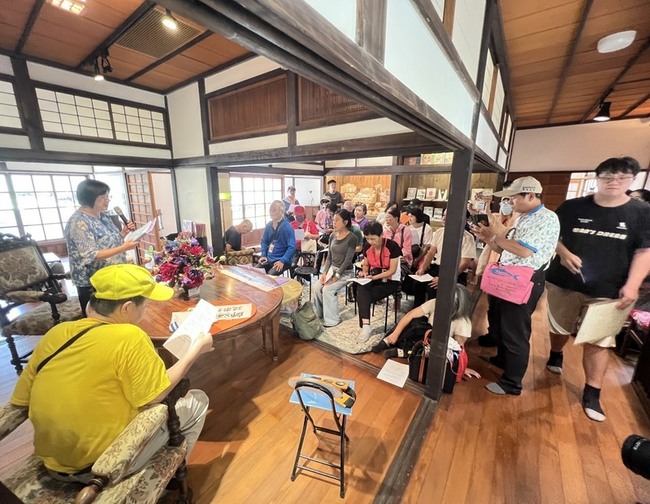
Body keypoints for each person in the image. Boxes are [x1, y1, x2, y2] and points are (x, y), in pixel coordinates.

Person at [10, 264, 212, 482]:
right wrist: (195, 351)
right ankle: (167, 479)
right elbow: (155, 395)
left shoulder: (57, 332)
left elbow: (21, 399)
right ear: (126, 308)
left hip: (51, 462)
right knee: (197, 401)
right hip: (100, 468)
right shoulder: (129, 336)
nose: (146, 310)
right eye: (145, 304)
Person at [544, 157, 650, 421]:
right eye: (607, 176)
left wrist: (632, 285)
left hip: (610, 289)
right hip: (565, 281)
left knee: (599, 340)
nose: (614, 181)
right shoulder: (572, 206)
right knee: (560, 326)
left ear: (631, 180)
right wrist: (563, 253)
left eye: (622, 177)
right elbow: (552, 235)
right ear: (597, 178)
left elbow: (645, 251)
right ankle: (556, 354)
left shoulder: (642, 212)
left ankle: (592, 392)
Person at [472, 176, 560, 396]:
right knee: (500, 323)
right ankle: (502, 360)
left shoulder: (547, 218)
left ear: (529, 195)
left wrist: (494, 237)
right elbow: (505, 249)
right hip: (508, 276)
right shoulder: (522, 217)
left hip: (524, 280)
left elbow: (524, 251)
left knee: (515, 331)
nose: (510, 202)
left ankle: (512, 383)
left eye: (513, 198)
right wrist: (488, 238)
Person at [65, 179, 138, 316]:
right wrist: (123, 248)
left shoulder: (103, 216)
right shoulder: (78, 222)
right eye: (103, 197)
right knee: (99, 318)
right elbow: (92, 255)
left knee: (115, 315)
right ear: (90, 198)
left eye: (108, 196)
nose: (107, 200)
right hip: (92, 281)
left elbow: (110, 241)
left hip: (111, 275)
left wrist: (123, 233)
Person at [372, 284, 474, 368]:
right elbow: (410, 315)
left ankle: (404, 351)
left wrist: (461, 368)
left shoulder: (464, 323)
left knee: (429, 336)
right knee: (415, 321)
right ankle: (390, 340)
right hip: (424, 334)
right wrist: (395, 333)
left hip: (437, 346)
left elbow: (458, 349)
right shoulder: (435, 302)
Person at [355, 222, 402, 342]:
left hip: (390, 280)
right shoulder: (367, 246)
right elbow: (366, 264)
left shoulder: (392, 246)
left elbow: (392, 270)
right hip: (374, 276)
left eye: (373, 238)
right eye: (367, 238)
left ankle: (365, 326)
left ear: (381, 235)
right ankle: (366, 326)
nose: (370, 242)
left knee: (363, 296)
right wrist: (364, 272)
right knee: (361, 288)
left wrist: (373, 278)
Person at [313, 209, 358, 327]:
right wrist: (324, 272)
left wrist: (336, 277)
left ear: (345, 222)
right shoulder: (332, 235)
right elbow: (329, 257)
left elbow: (347, 261)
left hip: (346, 272)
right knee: (317, 287)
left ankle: (333, 319)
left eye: (337, 220)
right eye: (333, 220)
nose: (334, 222)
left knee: (328, 290)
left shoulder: (352, 238)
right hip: (332, 269)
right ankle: (320, 313)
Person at [258, 200, 296, 275]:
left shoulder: (287, 227)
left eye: (274, 210)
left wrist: (282, 261)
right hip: (269, 258)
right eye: (270, 210)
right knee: (256, 272)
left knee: (271, 275)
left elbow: (292, 247)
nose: (272, 212)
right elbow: (264, 241)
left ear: (282, 212)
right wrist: (263, 255)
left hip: (282, 260)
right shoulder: (269, 225)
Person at [382, 207, 413, 275]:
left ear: (396, 218)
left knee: (395, 273)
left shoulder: (405, 230)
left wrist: (396, 257)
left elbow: (407, 249)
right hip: (388, 260)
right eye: (385, 217)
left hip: (402, 261)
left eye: (388, 217)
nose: (386, 219)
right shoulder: (386, 232)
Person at [408, 207, 433, 273]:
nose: (409, 219)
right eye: (408, 216)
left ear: (417, 217)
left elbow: (427, 246)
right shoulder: (408, 227)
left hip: (422, 254)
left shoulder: (427, 228)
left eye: (411, 216)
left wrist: (417, 259)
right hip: (409, 253)